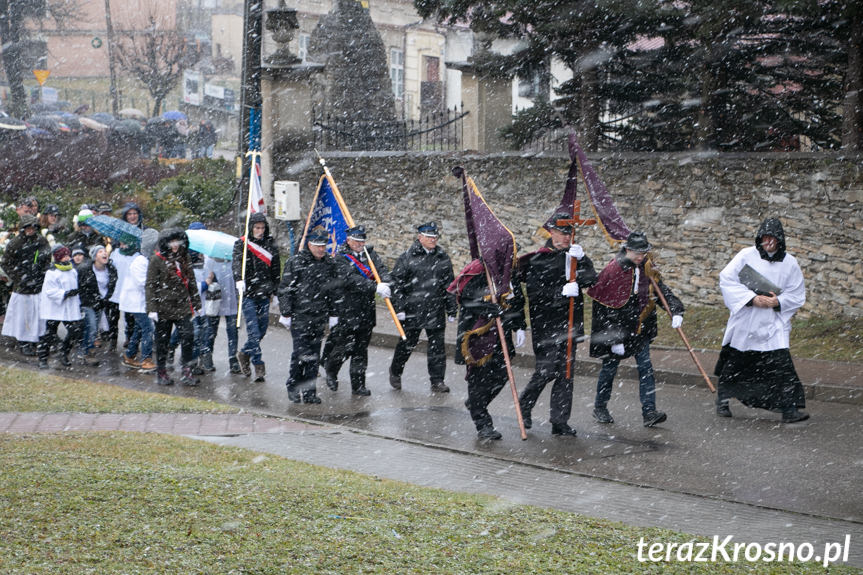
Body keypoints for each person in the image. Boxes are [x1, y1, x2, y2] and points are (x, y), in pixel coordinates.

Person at [715, 218, 809, 423]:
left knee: (781, 365)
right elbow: (727, 279)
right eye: (764, 238)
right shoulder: (746, 256)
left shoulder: (790, 263)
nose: (768, 242)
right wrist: (752, 299)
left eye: (772, 238)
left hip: (773, 323)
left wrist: (778, 302)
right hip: (747, 319)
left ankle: (789, 408)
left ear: (779, 240)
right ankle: (722, 399)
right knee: (736, 363)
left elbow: (797, 293)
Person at [587, 231, 684, 428]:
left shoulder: (647, 267)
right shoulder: (613, 271)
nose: (641, 257)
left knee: (646, 368)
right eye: (637, 253)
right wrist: (613, 339)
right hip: (618, 329)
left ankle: (649, 412)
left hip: (640, 327)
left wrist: (675, 310)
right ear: (628, 249)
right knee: (609, 369)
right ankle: (600, 407)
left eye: (644, 253)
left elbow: (660, 291)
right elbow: (606, 308)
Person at [517, 214, 598, 436]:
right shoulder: (539, 260)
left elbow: (591, 278)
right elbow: (535, 294)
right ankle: (524, 406)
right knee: (546, 370)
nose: (565, 238)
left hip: (570, 325)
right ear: (551, 233)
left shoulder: (574, 256)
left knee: (566, 373)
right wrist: (560, 293)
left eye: (569, 233)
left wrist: (582, 262)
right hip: (547, 325)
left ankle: (559, 420)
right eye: (561, 233)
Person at [448, 259, 526, 440]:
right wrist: (486, 308)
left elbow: (518, 300)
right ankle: (483, 423)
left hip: (502, 334)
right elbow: (465, 299)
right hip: (478, 333)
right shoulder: (478, 269)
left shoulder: (509, 272)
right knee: (478, 379)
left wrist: (520, 325)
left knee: (501, 375)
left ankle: (477, 403)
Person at [321, 225, 391, 396]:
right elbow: (351, 280)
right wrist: (374, 287)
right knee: (344, 347)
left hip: (366, 310)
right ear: (349, 240)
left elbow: (381, 270)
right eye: (357, 241)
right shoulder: (340, 258)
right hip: (347, 309)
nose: (360, 244)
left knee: (361, 350)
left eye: (362, 240)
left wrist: (386, 283)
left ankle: (358, 385)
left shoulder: (370, 255)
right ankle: (331, 369)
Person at [388, 222, 456, 393]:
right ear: (420, 238)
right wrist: (400, 308)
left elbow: (449, 285)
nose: (433, 240)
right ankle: (396, 371)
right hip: (412, 310)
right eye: (429, 237)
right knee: (406, 345)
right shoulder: (407, 257)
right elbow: (397, 284)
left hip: (435, 308)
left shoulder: (442, 257)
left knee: (437, 348)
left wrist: (452, 308)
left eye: (435, 237)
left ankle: (437, 380)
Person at [278, 227, 340, 404]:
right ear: (309, 244)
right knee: (300, 354)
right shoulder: (296, 262)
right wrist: (286, 312)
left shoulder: (329, 263)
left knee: (314, 355)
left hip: (319, 315)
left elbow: (333, 290)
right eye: (317, 245)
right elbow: (286, 288)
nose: (321, 249)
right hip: (301, 315)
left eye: (324, 246)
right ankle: (293, 386)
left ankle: (309, 391)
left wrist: (334, 313)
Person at [147, 228, 201, 386]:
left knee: (188, 337)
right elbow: (150, 285)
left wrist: (197, 303)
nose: (175, 245)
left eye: (177, 241)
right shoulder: (157, 259)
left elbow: (191, 281)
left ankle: (187, 370)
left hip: (182, 305)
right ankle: (162, 372)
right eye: (172, 241)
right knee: (162, 342)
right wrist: (151, 308)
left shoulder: (185, 258)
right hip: (163, 306)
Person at [232, 212, 281, 382]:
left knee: (262, 330)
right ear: (251, 228)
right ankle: (258, 364)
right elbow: (236, 262)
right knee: (253, 332)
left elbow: (276, 271)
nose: (260, 231)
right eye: (256, 228)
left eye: (262, 227)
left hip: (265, 293)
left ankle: (245, 353)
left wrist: (276, 292)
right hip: (249, 294)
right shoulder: (242, 244)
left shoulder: (270, 246)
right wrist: (239, 279)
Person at [1, 213, 51, 356]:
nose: (30, 230)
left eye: (33, 227)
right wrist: (19, 277)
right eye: (27, 227)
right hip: (22, 287)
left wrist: (41, 273)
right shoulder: (15, 243)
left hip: (38, 284)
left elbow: (47, 258)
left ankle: (36, 339)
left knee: (37, 314)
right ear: (23, 228)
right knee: (23, 315)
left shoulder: (41, 241)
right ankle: (23, 341)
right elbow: (6, 263)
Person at [37, 245, 83, 369]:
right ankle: (42, 358)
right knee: (49, 333)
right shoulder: (52, 272)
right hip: (55, 307)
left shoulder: (72, 270)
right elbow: (50, 291)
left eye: (68, 255)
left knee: (75, 330)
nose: (68, 258)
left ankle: (64, 352)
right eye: (65, 256)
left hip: (69, 307)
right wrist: (65, 294)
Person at [118, 230, 158, 373]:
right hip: (135, 302)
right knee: (148, 329)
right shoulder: (140, 262)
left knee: (139, 328)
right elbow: (144, 282)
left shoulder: (146, 260)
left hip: (140, 302)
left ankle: (130, 355)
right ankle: (146, 359)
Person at [76, 245, 116, 363]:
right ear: (94, 257)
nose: (104, 253)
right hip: (88, 302)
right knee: (92, 326)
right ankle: (86, 351)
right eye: (100, 251)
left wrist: (106, 298)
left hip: (101, 302)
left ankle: (87, 350)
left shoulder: (111, 269)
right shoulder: (85, 269)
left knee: (93, 328)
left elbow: (112, 285)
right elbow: (81, 287)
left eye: (105, 251)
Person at [202, 254, 241, 374]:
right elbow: (206, 281)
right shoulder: (209, 262)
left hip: (231, 301)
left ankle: (233, 359)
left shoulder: (235, 262)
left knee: (233, 331)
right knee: (211, 331)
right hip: (215, 301)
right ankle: (207, 356)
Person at [106, 239, 138, 352]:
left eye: (126, 243)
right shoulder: (115, 253)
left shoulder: (136, 255)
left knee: (130, 318)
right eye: (122, 243)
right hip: (116, 289)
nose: (123, 246)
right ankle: (113, 340)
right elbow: (109, 267)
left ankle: (129, 338)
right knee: (113, 318)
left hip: (129, 290)